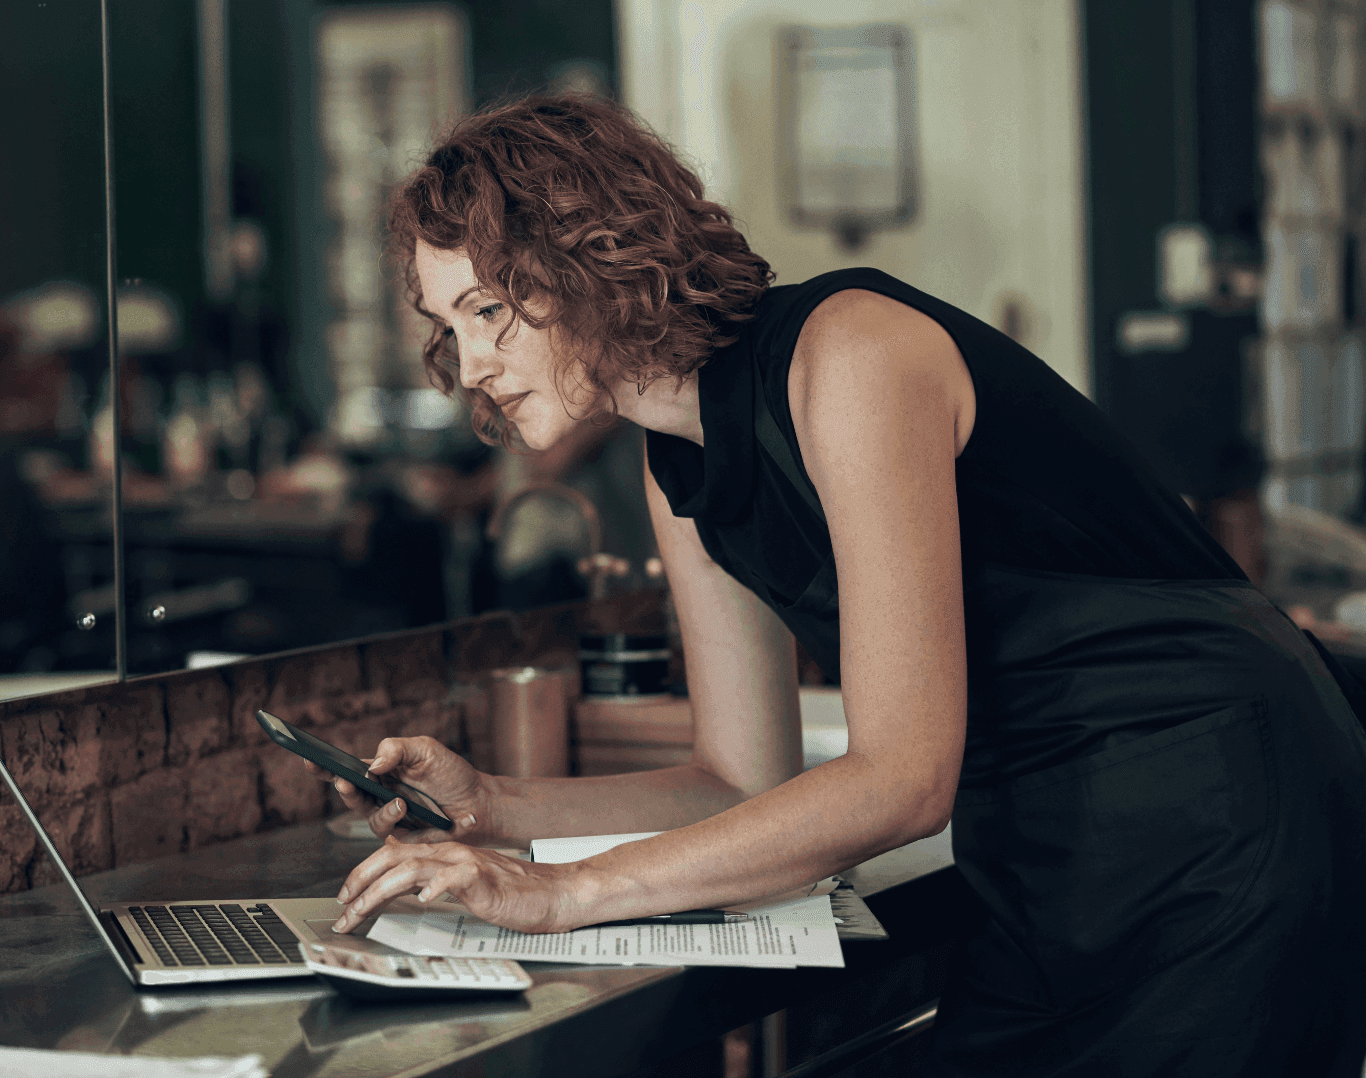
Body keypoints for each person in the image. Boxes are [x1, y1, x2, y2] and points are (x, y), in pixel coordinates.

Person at [310, 95, 1366, 1076]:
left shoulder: (849, 356)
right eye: (447, 326)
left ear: (595, 254)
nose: (471, 361)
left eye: (488, 308)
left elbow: (903, 780)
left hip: (1222, 807)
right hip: (1048, 841)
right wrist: (496, 807)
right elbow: (738, 775)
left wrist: (564, 892)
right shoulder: (670, 450)